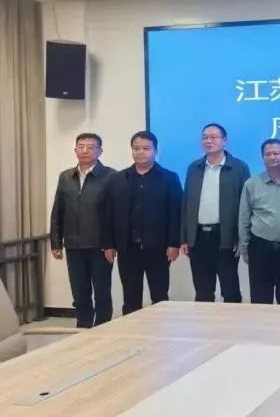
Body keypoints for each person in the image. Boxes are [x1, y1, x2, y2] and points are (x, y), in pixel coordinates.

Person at [103, 131, 182, 314]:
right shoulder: (118, 179)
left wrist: (174, 243)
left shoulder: (169, 178)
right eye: (136, 148)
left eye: (146, 148)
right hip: (127, 248)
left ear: (155, 151)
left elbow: (176, 213)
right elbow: (109, 213)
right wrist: (109, 244)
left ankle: (160, 328)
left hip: (159, 248)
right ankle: (132, 330)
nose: (140, 152)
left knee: (159, 295)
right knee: (130, 297)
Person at [49, 133, 116, 328]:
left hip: (100, 246)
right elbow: (57, 211)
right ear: (75, 150)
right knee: (79, 291)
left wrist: (111, 244)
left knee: (102, 291)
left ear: (100, 151)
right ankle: (83, 326)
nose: (85, 151)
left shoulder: (111, 176)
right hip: (73, 245)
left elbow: (115, 214)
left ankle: (103, 327)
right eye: (81, 146)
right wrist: (56, 242)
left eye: (91, 147)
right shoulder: (65, 177)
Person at [181, 123, 250, 303]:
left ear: (224, 141)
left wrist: (241, 237)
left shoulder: (239, 167)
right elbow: (186, 203)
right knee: (203, 291)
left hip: (225, 237)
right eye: (205, 137)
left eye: (213, 137)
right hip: (198, 237)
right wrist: (185, 237)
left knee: (230, 290)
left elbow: (246, 206)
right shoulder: (194, 168)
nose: (208, 141)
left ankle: (232, 322)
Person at [238, 138, 280, 305]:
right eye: (268, 154)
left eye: (276, 153)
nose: (272, 157)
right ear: (263, 157)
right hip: (260, 248)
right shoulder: (251, 184)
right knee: (260, 298)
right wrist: (244, 247)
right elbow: (244, 217)